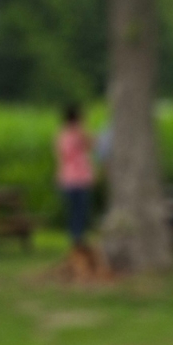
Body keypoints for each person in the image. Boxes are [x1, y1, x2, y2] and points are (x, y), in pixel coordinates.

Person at [54, 104, 94, 249]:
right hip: (74, 178)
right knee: (76, 210)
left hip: (75, 178)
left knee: (80, 211)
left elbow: (91, 144)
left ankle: (78, 237)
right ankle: (76, 238)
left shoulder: (63, 135)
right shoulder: (67, 135)